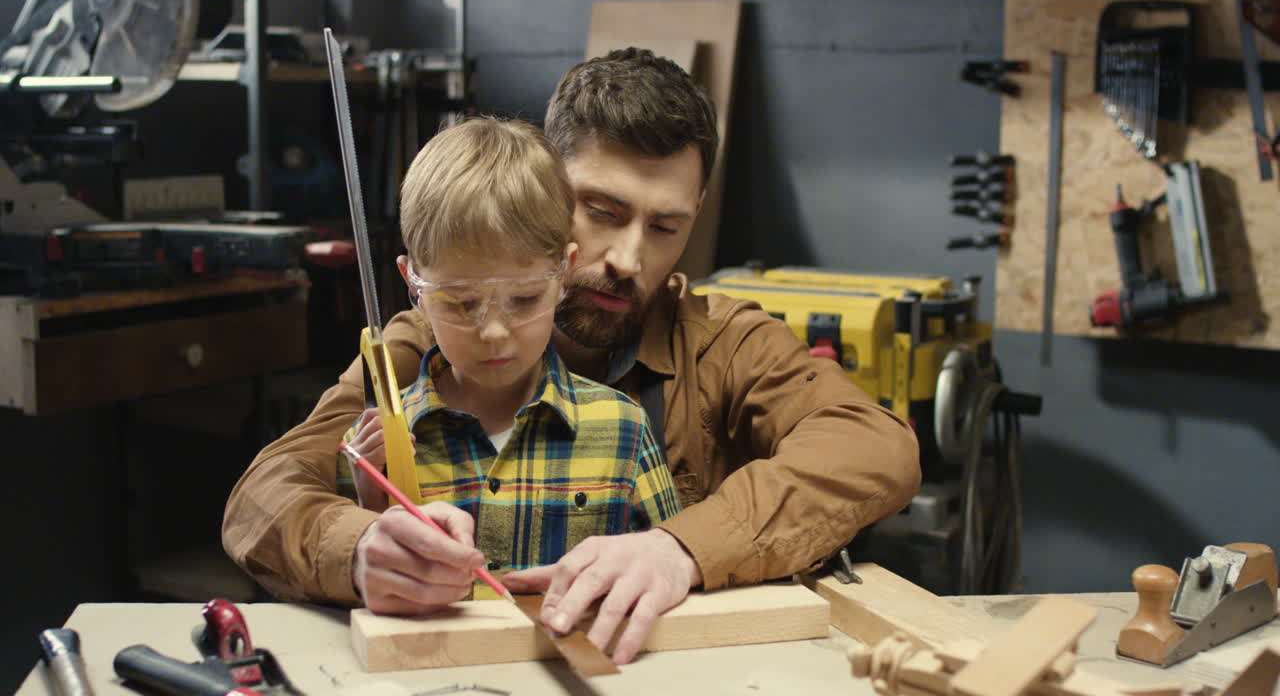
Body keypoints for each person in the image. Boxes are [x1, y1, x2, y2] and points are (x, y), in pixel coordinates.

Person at [223, 48, 920, 666]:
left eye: (666, 226)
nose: (627, 258)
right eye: (604, 211)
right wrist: (360, 551)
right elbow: (263, 498)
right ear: (540, 189)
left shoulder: (722, 344)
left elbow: (876, 447)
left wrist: (680, 549)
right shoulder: (420, 345)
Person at [337, 115, 682, 607]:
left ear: (564, 271)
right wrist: (371, 501)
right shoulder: (372, 448)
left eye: (523, 299)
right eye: (461, 302)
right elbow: (342, 599)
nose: (494, 331)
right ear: (412, 283)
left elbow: (664, 578)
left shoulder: (624, 430)